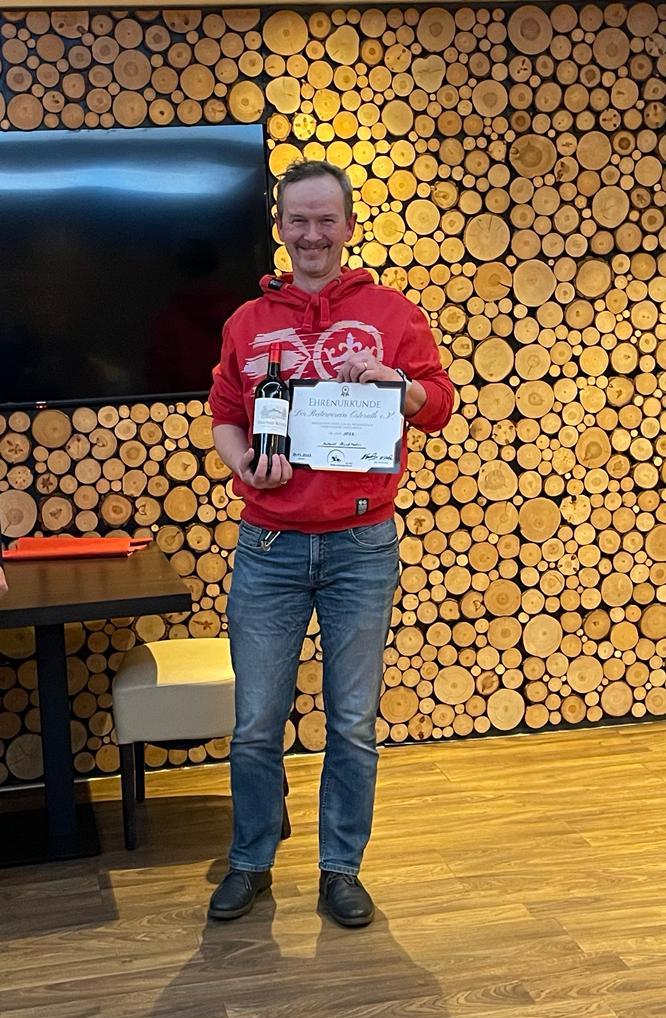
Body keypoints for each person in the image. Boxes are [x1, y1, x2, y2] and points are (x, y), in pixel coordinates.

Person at [207, 159, 454, 928]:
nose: (312, 234)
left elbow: (438, 404)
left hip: (361, 547)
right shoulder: (246, 323)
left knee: (352, 722)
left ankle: (341, 869)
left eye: (325, 219)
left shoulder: (393, 313)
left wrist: (397, 384)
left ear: (348, 226)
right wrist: (243, 464)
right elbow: (225, 414)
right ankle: (251, 861)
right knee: (255, 722)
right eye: (298, 220)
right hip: (269, 546)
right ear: (280, 227)